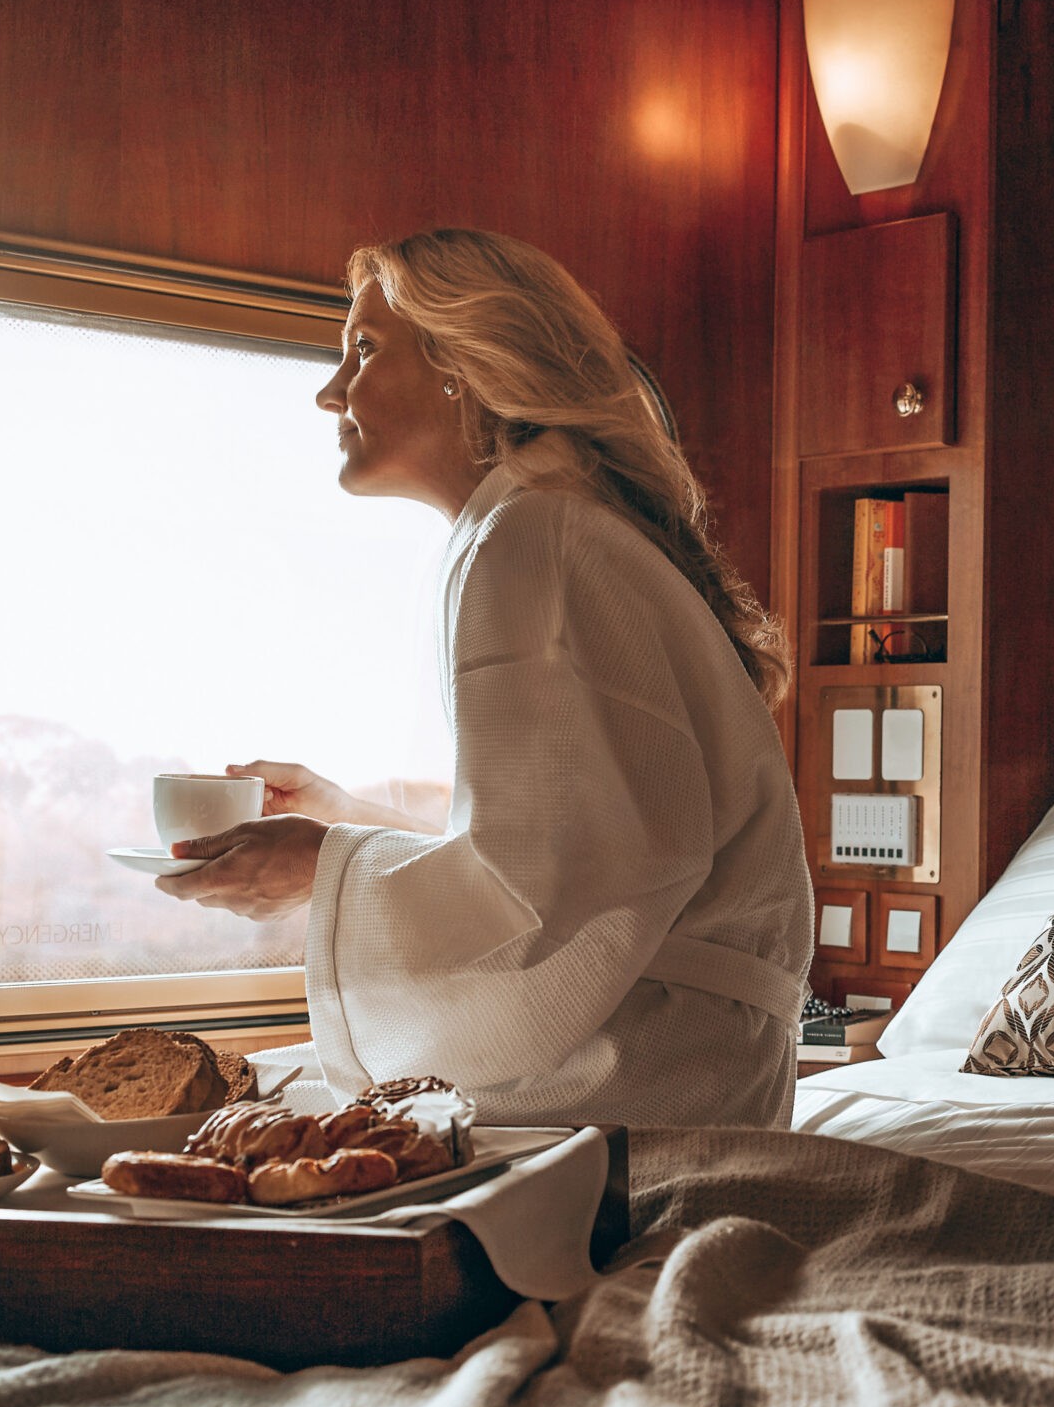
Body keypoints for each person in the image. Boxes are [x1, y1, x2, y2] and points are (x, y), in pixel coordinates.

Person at [159, 230, 812, 1129]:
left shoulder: (532, 541)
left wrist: (324, 866)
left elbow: (552, 901)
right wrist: (343, 822)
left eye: (364, 349)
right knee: (264, 1102)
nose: (329, 390)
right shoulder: (541, 528)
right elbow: (566, 857)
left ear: (464, 365)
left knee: (255, 1125)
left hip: (640, 1082)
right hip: (668, 1056)